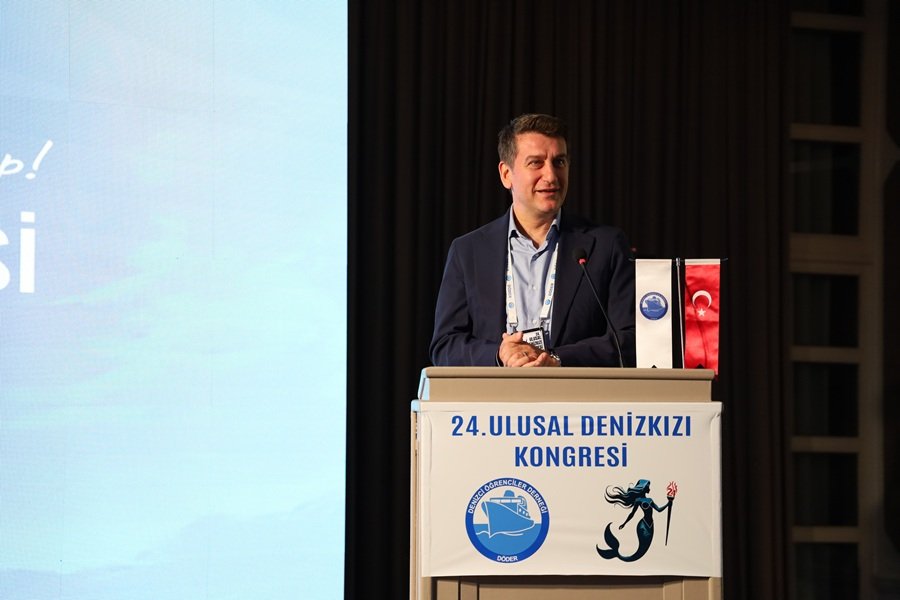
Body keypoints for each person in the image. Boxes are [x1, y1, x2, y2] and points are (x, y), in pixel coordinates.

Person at [429, 113, 636, 367]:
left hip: (576, 393)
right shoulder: (468, 252)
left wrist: (557, 359)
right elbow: (445, 345)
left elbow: (629, 339)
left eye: (559, 162)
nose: (551, 176)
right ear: (506, 174)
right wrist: (500, 355)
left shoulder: (606, 246)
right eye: (536, 163)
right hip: (494, 393)